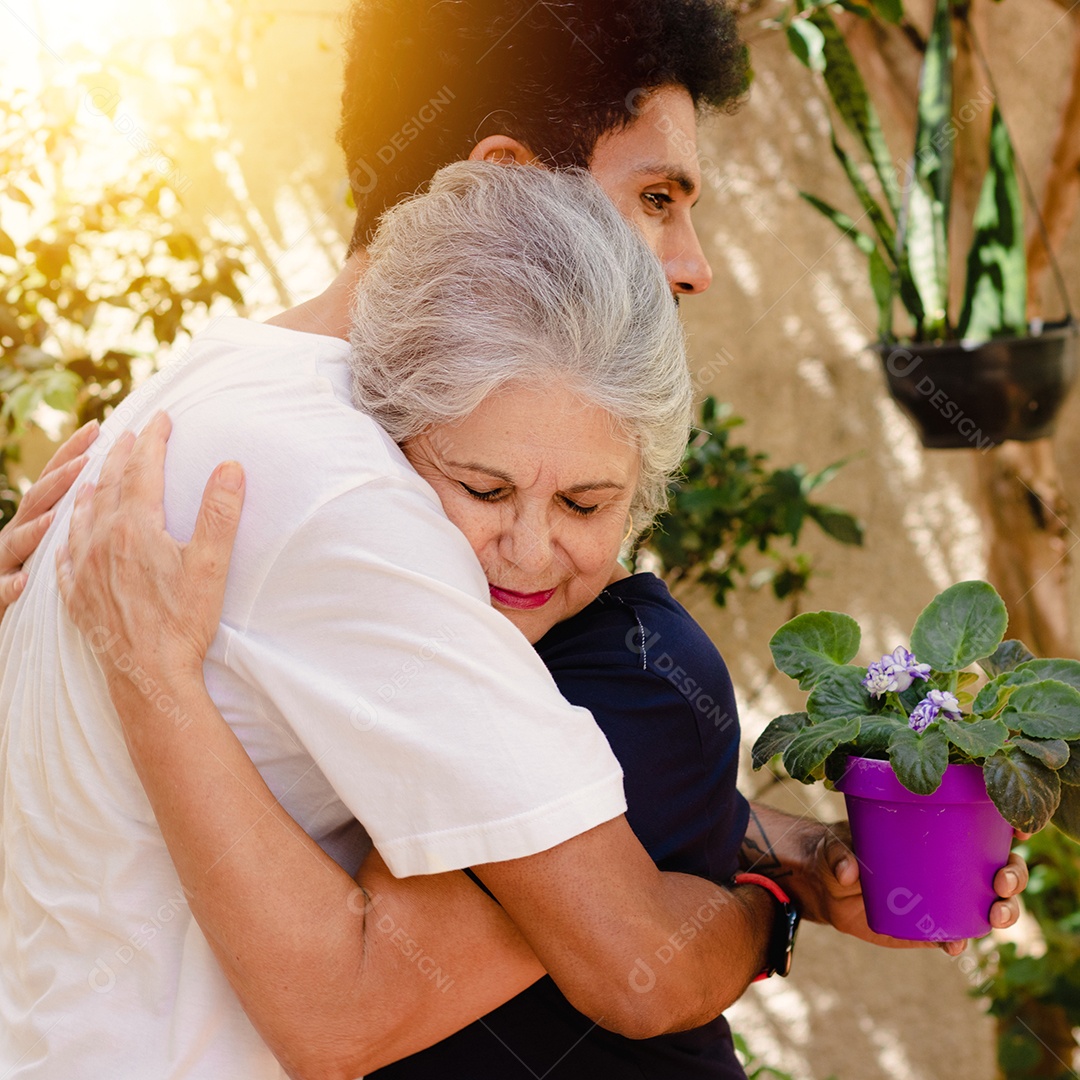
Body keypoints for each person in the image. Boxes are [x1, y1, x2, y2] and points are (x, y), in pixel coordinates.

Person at [0, 3, 1028, 1077]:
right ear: (503, 183)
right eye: (658, 200)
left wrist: (801, 852)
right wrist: (770, 903)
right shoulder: (352, 494)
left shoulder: (218, 389)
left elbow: (520, 803)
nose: (693, 264)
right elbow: (622, 949)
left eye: (584, 505)